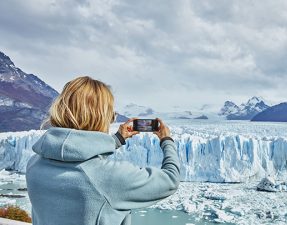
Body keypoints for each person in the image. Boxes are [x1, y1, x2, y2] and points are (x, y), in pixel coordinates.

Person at [26, 76, 180, 225]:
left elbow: (74, 152)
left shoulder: (34, 165)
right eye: (111, 114)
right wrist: (166, 140)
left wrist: (118, 139)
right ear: (99, 116)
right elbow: (170, 180)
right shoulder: (109, 177)